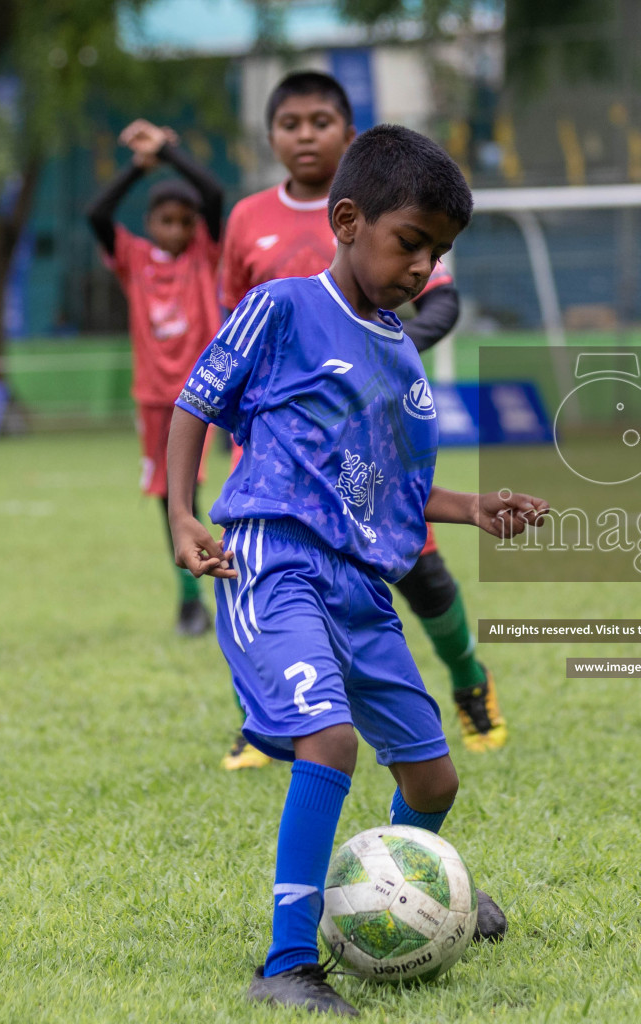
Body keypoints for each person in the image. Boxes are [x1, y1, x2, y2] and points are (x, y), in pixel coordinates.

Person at [168, 125, 547, 1014]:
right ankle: (288, 963)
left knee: (434, 779)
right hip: (275, 558)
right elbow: (195, 402)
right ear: (348, 219)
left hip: (361, 588)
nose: (421, 267)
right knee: (328, 739)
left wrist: (476, 508)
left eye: (438, 253)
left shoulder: (402, 358)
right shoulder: (284, 306)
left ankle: (408, 887)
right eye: (409, 241)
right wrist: (184, 513)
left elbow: (393, 492)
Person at [216, 70, 509, 769]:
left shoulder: (404, 203)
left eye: (322, 121)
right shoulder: (247, 220)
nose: (305, 135)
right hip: (283, 446)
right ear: (272, 136)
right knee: (267, 582)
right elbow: (231, 323)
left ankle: (469, 682)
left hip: (374, 445)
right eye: (291, 123)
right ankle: (274, 718)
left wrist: (386, 358)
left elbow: (440, 302)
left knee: (424, 577)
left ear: (349, 135)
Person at [85, 119, 224, 637]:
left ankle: (230, 586)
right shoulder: (133, 258)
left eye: (186, 221)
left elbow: (212, 191)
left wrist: (167, 151)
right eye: (166, 221)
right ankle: (190, 600)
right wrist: (137, 167)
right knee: (173, 496)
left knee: (200, 488)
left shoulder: (203, 255)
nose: (177, 230)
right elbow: (97, 212)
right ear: (149, 223)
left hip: (205, 393)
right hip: (153, 397)